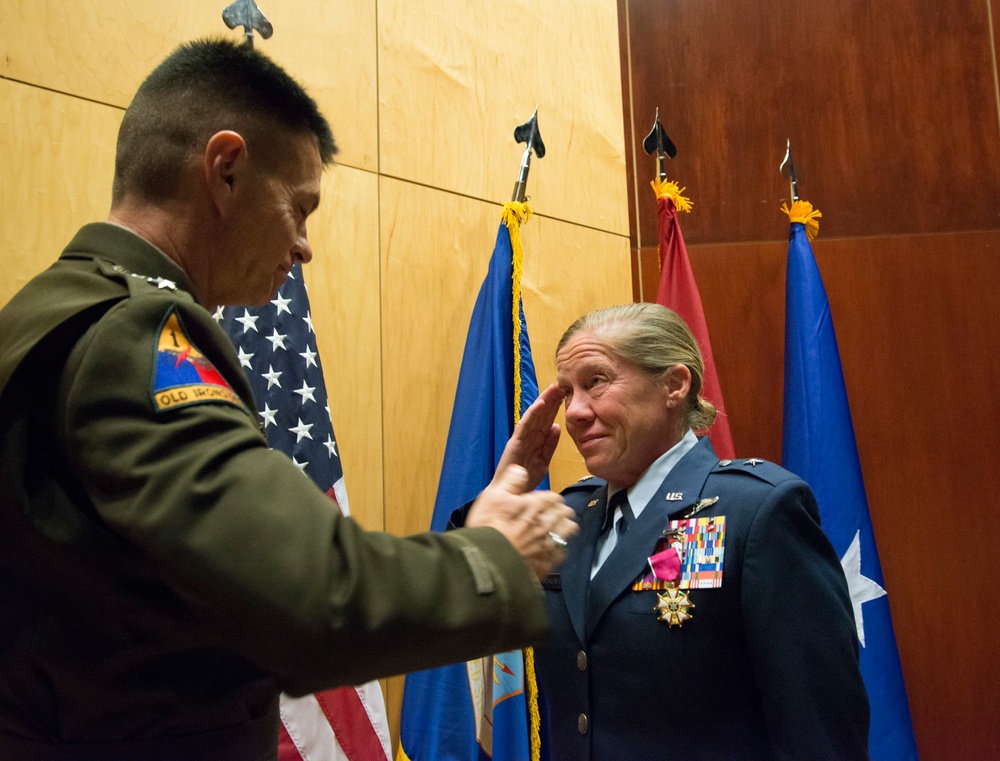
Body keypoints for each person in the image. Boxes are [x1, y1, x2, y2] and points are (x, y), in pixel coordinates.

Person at [0, 38, 578, 760]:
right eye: (299, 207)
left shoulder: (52, 308)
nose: (304, 246)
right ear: (227, 169)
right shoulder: (137, 337)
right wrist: (495, 555)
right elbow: (314, 597)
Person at [491, 303, 871, 760]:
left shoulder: (755, 512)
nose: (574, 412)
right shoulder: (568, 517)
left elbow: (820, 733)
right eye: (568, 392)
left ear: (674, 384)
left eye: (595, 382)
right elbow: (468, 606)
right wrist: (502, 489)